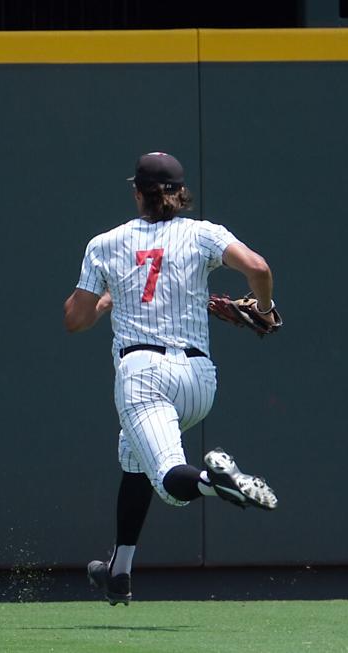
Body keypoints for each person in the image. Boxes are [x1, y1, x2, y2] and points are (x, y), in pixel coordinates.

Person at [63, 151, 279, 606]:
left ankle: (213, 481)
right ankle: (118, 572)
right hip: (200, 381)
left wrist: (104, 301)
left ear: (137, 192)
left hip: (142, 375)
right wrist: (263, 310)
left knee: (170, 483)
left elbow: (75, 320)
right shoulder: (203, 233)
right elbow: (258, 268)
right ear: (180, 192)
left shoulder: (105, 243)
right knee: (133, 454)